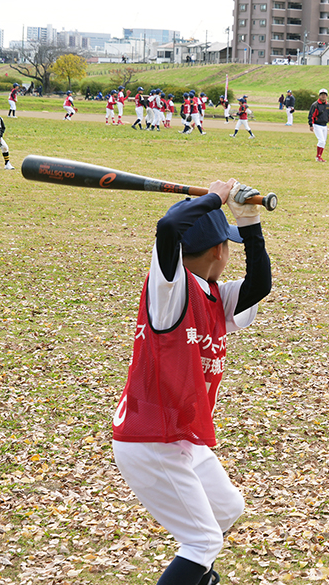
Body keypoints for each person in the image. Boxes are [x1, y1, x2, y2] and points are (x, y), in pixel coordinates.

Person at [111, 177, 272, 585]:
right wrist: (215, 199)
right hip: (150, 440)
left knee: (227, 510)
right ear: (219, 251)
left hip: (181, 434)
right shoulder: (170, 290)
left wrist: (250, 224)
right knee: (202, 541)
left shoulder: (217, 294)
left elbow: (260, 284)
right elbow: (168, 228)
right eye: (230, 244)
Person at [308, 88, 329, 162]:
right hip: (317, 125)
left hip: (324, 126)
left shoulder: (328, 106)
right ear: (319, 95)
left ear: (327, 96)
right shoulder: (315, 105)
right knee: (321, 141)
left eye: (325, 95)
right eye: (322, 94)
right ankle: (318, 157)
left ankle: (319, 156)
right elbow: (311, 115)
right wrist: (311, 124)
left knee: (324, 142)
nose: (323, 96)